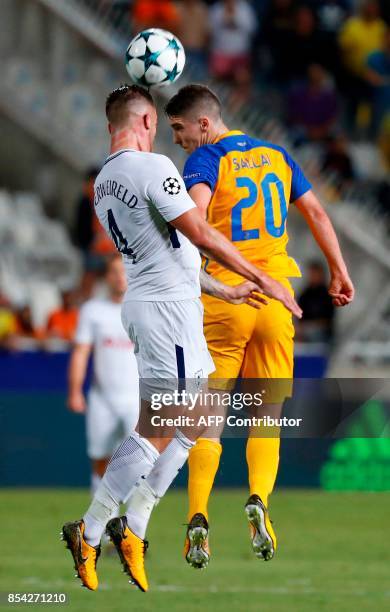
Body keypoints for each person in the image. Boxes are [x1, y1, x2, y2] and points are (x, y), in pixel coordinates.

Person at [61, 84, 302, 594]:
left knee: (202, 420)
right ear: (147, 122)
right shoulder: (152, 169)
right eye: (162, 126)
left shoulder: (105, 180)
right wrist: (263, 278)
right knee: (161, 428)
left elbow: (172, 256)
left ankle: (136, 526)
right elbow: (201, 235)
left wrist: (226, 290)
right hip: (166, 314)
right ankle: (92, 527)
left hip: (166, 303)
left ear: (113, 124)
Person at [165, 84, 354, 568]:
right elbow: (314, 211)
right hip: (277, 297)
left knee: (207, 414)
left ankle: (198, 520)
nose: (181, 140)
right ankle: (259, 502)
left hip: (230, 296)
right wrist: (339, 269)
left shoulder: (207, 161)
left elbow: (197, 222)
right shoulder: (276, 155)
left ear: (204, 124)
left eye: (181, 130)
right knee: (265, 413)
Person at [68, 253, 139, 502]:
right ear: (107, 277)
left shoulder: (145, 309)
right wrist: (75, 391)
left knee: (136, 458)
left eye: (125, 272)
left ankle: (127, 525)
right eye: (115, 272)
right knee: (100, 456)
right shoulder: (93, 311)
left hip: (138, 398)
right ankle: (100, 517)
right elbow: (81, 352)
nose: (121, 278)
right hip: (103, 398)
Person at [297, 260, 335, 343]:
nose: (312, 276)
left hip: (322, 333)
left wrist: (312, 326)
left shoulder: (327, 294)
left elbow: (328, 320)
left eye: (315, 273)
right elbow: (299, 315)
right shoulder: (305, 294)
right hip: (305, 331)